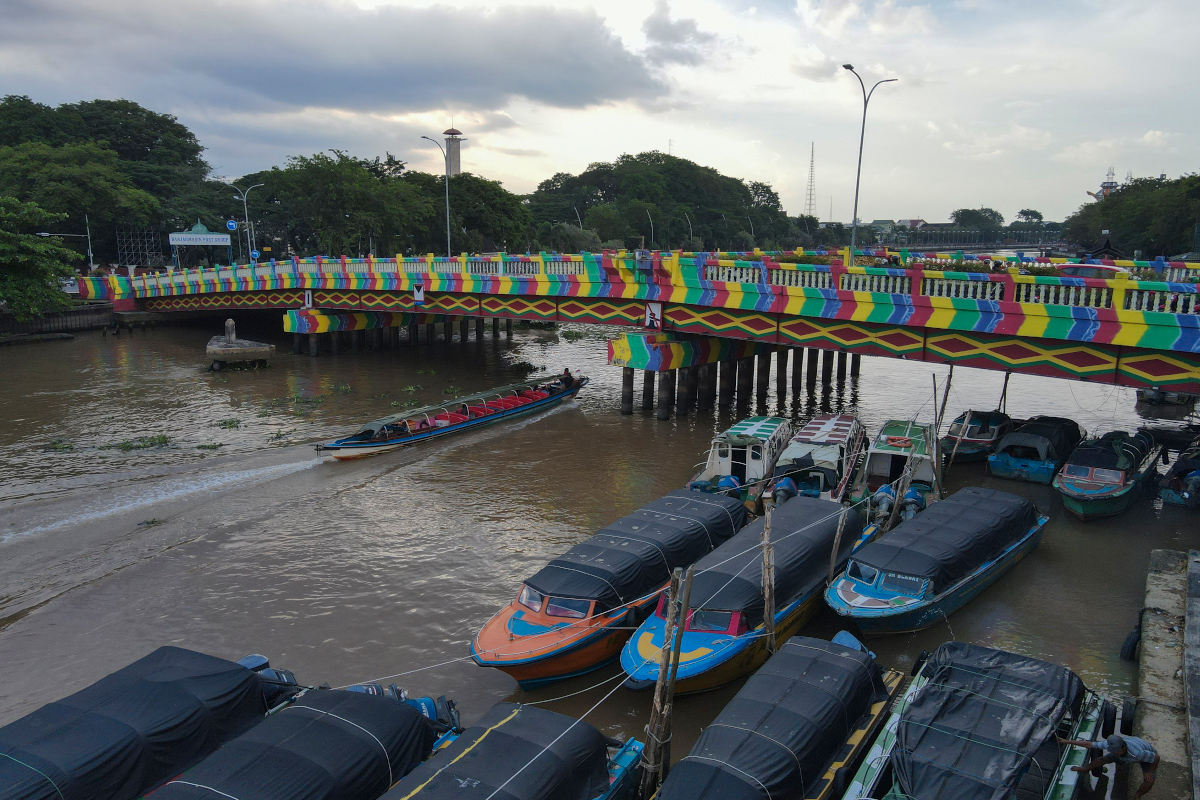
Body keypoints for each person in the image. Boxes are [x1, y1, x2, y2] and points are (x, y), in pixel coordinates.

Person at [1058, 733, 1159, 797]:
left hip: (1147, 759)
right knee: (1103, 759)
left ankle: (1138, 795)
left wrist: (1150, 771)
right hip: (1126, 754)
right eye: (1113, 751)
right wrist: (1067, 741)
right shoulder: (1110, 746)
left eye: (1117, 751)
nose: (1115, 753)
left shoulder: (1138, 753)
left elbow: (1156, 757)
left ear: (1123, 747)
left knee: (1149, 780)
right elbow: (1088, 744)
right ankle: (1085, 769)